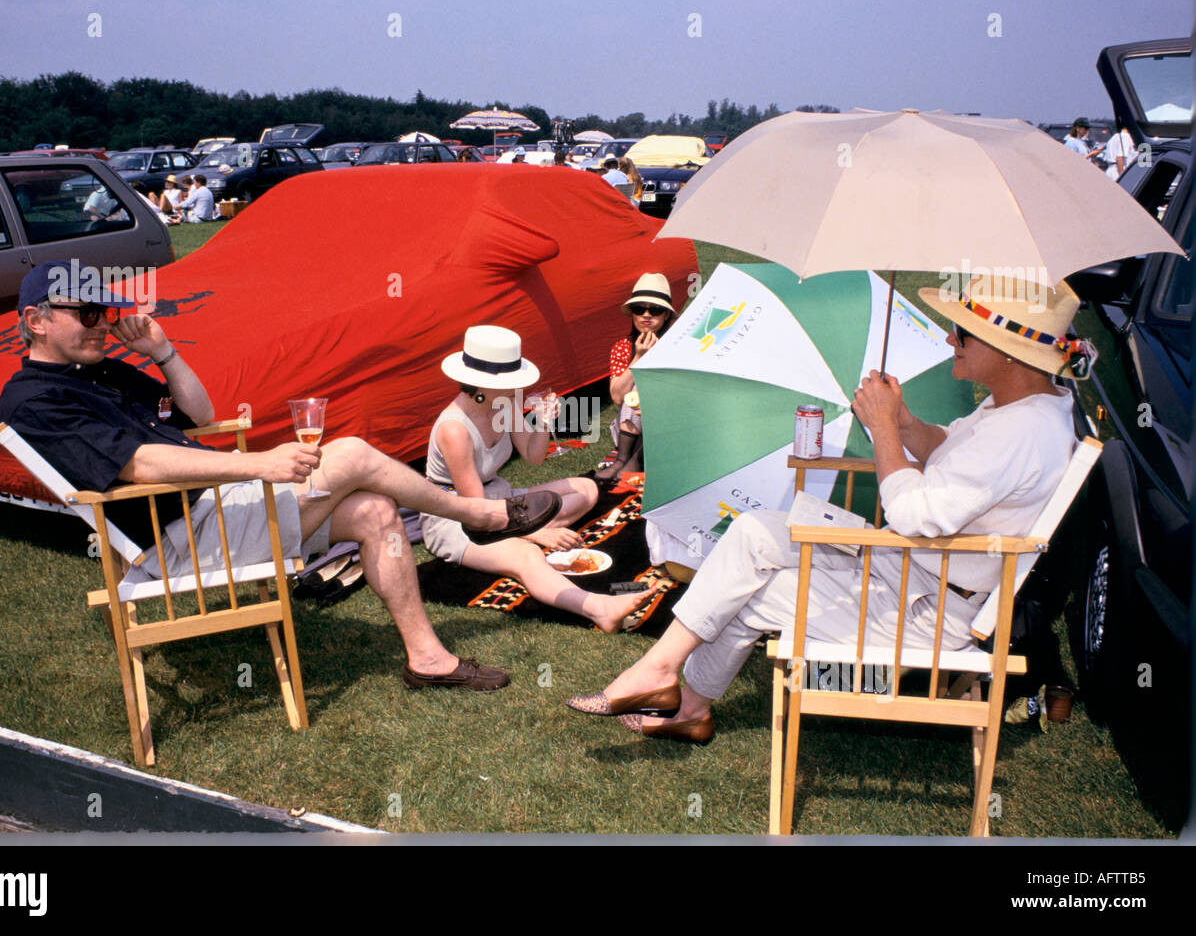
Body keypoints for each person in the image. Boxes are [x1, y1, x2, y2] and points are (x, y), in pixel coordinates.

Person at [0, 261, 565, 692]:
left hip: (212, 512)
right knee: (350, 454)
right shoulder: (34, 399)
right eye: (88, 314)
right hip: (179, 541)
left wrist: (163, 351)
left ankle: (428, 660)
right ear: (35, 321)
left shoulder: (100, 372)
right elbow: (137, 464)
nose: (103, 326)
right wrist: (258, 464)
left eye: (108, 313)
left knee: (376, 511)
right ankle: (482, 515)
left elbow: (196, 416)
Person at [567, 278, 1091, 743]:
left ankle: (687, 702)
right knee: (754, 532)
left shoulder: (1019, 433)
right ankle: (663, 674)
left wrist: (883, 430)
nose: (952, 339)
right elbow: (947, 446)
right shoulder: (1021, 405)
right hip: (916, 568)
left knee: (756, 589)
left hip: (929, 604)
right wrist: (905, 421)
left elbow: (911, 515)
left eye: (964, 333)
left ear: (1009, 353)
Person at [420, 326, 656, 633]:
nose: (515, 388)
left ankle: (516, 540)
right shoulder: (455, 430)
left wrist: (543, 419)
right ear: (480, 383)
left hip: (497, 497)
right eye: (509, 383)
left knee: (586, 489)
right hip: (458, 515)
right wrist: (536, 533)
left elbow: (533, 456)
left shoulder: (502, 402)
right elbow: (476, 512)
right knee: (527, 555)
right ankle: (598, 609)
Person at [592, 273, 678, 487]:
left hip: (669, 426)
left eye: (655, 310)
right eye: (640, 309)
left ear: (666, 315)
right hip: (629, 429)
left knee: (646, 386)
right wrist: (638, 358)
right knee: (635, 385)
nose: (646, 315)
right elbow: (618, 397)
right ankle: (623, 459)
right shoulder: (623, 347)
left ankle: (633, 460)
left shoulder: (677, 346)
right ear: (632, 313)